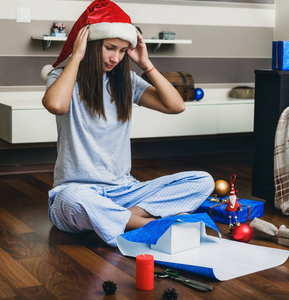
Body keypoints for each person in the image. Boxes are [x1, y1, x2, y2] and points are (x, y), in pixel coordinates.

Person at [42, 0, 214, 247]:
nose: (116, 58)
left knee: (203, 180)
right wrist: (77, 55)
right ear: (90, 44)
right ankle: (150, 226)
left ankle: (121, 219)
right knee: (71, 198)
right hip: (77, 193)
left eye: (123, 51)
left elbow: (176, 106)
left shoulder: (126, 82)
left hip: (124, 192)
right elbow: (56, 105)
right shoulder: (62, 77)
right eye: (110, 48)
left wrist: (146, 64)